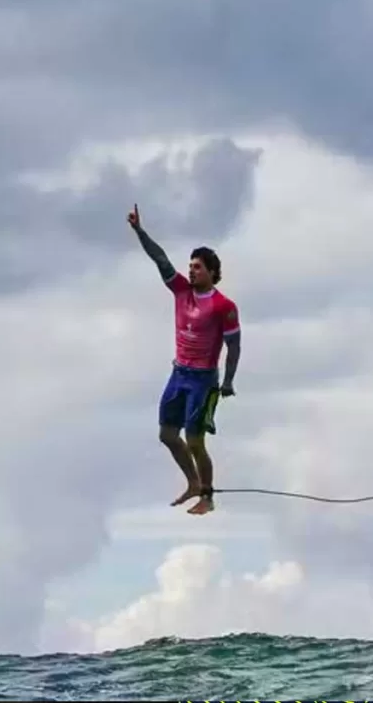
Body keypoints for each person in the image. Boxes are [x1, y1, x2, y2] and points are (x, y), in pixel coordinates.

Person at [126, 203, 241, 516]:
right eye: (190, 266)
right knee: (166, 435)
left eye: (198, 267)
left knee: (194, 441)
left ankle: (207, 495)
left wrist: (228, 381)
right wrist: (139, 231)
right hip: (179, 373)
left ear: (213, 273)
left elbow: (234, 345)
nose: (191, 271)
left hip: (203, 380)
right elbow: (159, 258)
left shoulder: (223, 306)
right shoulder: (180, 291)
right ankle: (192, 482)